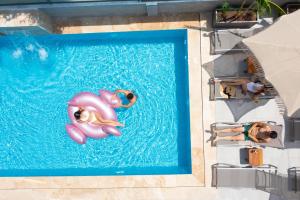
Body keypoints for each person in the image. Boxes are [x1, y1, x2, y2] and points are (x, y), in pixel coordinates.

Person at [213, 122, 278, 143]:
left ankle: (219, 138)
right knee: (234, 130)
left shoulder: (267, 140)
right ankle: (218, 131)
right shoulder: (266, 127)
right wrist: (250, 129)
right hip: (249, 128)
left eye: (268, 135)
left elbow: (257, 141)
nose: (267, 133)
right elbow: (257, 123)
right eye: (268, 132)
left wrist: (250, 136)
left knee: (234, 138)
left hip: (249, 136)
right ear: (271, 131)